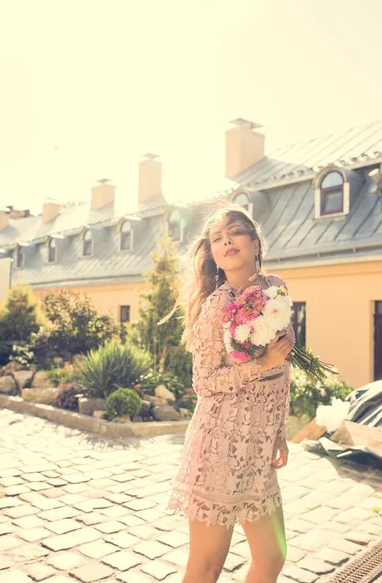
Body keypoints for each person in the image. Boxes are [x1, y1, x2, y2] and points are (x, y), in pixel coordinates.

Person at [164, 204, 295, 583]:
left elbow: (283, 369)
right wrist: (261, 362)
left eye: (234, 232)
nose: (226, 241)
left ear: (255, 243)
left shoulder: (277, 290)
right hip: (219, 447)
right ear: (214, 255)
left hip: (258, 449)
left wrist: (279, 432)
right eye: (217, 238)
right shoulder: (214, 308)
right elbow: (204, 383)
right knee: (205, 570)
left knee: (272, 558)